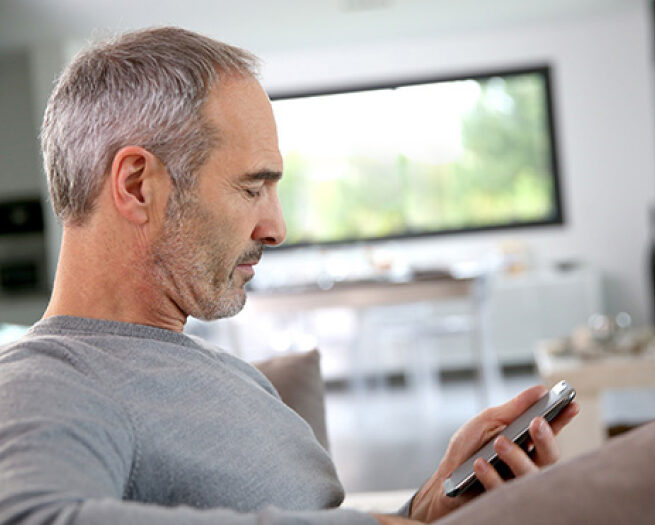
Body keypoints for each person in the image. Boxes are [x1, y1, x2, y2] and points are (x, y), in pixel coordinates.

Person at [0, 27, 578, 525]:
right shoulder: (51, 377)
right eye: (253, 188)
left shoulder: (230, 374)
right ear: (135, 185)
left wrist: (424, 508)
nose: (275, 228)